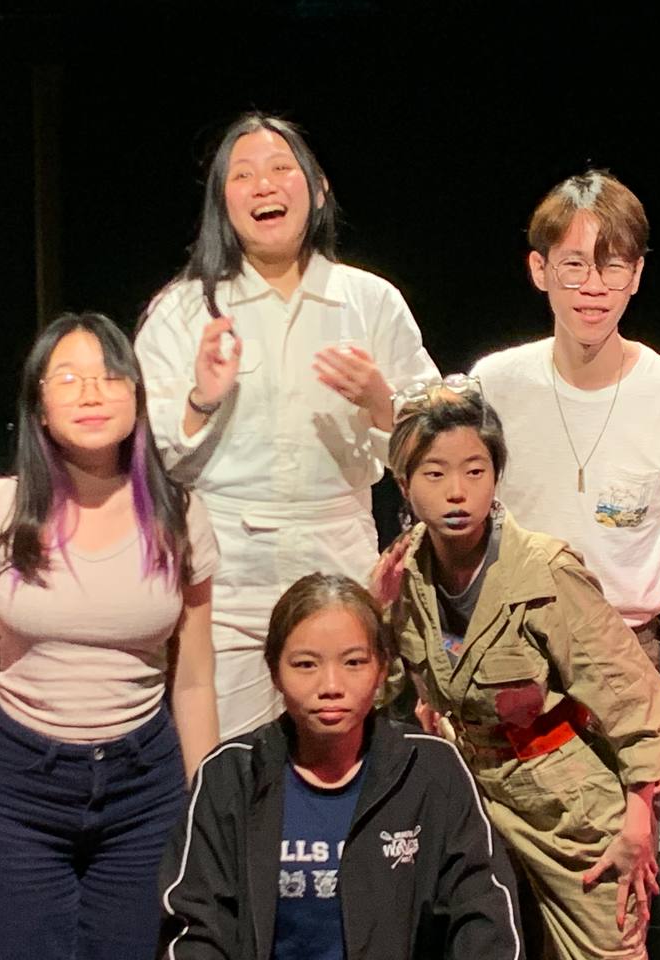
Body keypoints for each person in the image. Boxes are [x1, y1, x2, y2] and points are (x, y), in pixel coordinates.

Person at [135, 112, 438, 739]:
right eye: (243, 176)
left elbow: (438, 438)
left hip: (337, 555)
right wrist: (199, 398)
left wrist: (382, 400)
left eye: (281, 169)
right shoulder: (184, 308)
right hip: (225, 571)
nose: (264, 186)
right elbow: (138, 448)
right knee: (232, 765)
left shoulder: (369, 300)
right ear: (224, 200)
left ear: (318, 188)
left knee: (341, 752)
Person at [0, 312, 220, 958]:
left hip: (145, 787)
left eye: (110, 375)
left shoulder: (179, 514)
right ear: (38, 405)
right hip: (19, 788)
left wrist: (206, 823)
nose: (92, 393)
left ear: (138, 398)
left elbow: (195, 682)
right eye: (68, 377)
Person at [373, 384, 660, 960]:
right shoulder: (401, 575)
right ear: (404, 484)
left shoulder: (543, 571)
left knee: (608, 947)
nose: (458, 492)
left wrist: (640, 817)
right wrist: (375, 611)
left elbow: (628, 694)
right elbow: (378, 691)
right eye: (434, 475)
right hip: (469, 798)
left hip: (568, 809)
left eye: (475, 471)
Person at [470, 171, 660, 791]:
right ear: (539, 270)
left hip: (628, 650)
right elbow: (461, 526)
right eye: (574, 267)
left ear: (637, 275)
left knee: (625, 860)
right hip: (512, 648)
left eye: (613, 267)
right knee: (508, 851)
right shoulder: (494, 384)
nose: (594, 288)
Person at [158, 572, 522, 960]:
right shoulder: (230, 776)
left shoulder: (431, 770)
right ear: (274, 671)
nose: (331, 685)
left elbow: (485, 918)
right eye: (305, 664)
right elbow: (195, 927)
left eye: (353, 662)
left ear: (382, 668)